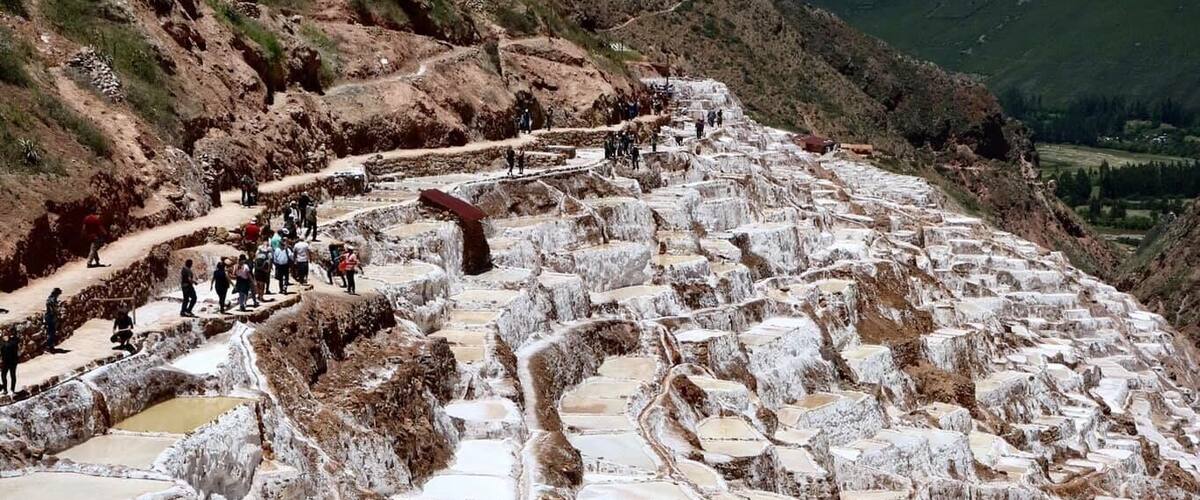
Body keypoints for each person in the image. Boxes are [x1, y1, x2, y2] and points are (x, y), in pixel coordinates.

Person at [44, 288, 62, 354]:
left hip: (50, 316)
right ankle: (48, 347)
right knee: (51, 333)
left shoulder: (51, 298)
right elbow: (52, 309)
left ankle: (50, 347)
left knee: (52, 332)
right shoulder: (52, 300)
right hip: (50, 317)